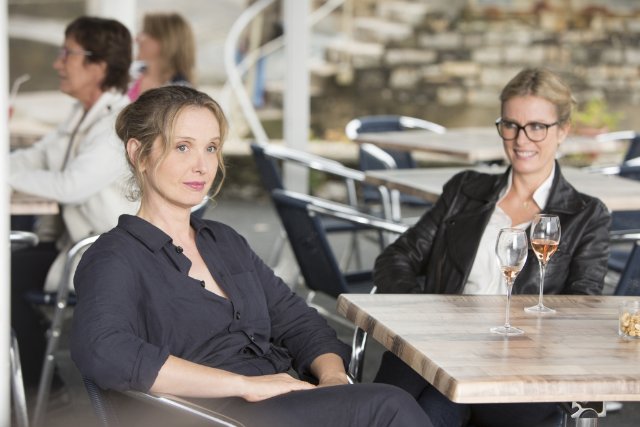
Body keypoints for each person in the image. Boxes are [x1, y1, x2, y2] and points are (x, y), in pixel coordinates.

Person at [70, 86, 433, 427]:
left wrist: (334, 380)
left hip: (283, 403)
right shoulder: (114, 256)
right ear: (138, 154)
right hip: (213, 416)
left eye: (211, 148)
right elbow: (103, 351)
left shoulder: (224, 241)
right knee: (391, 406)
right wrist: (244, 385)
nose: (202, 166)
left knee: (414, 396)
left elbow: (299, 322)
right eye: (182, 147)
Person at [372, 68, 611, 427]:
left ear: (563, 130)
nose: (521, 139)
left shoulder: (586, 215)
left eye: (537, 126)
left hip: (519, 369)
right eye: (511, 125)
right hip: (438, 349)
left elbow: (581, 311)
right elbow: (396, 258)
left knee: (419, 404)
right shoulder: (465, 190)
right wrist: (424, 316)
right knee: (421, 397)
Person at [9, 16, 138, 393]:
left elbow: (71, 186)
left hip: (104, 254)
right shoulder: (82, 115)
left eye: (68, 54)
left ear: (98, 66)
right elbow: (37, 157)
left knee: (5, 277)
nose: (57, 63)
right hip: (74, 243)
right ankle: (33, 380)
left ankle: (43, 389)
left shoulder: (116, 126)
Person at [127, 12, 195, 101]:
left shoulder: (181, 94)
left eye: (145, 32)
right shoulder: (131, 73)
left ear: (166, 41)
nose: (136, 39)